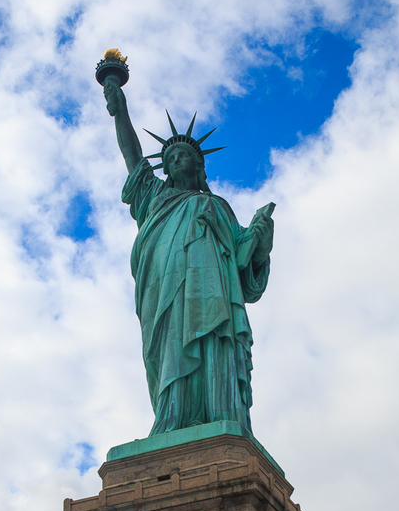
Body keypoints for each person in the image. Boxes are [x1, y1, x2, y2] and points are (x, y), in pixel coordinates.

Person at [104, 76, 274, 436]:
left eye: (185, 156)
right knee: (167, 352)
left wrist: (260, 237)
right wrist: (121, 112)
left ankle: (219, 415)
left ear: (199, 165)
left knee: (214, 344)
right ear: (164, 168)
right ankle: (172, 418)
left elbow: (246, 268)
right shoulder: (154, 198)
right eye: (171, 157)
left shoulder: (217, 206)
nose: (177, 159)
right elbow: (133, 157)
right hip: (163, 291)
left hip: (211, 296)